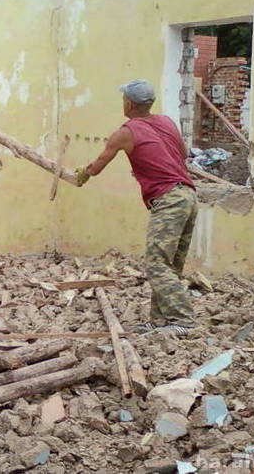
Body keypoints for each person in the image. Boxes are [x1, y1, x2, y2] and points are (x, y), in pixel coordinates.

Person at [76, 79, 198, 335]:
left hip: (168, 201)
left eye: (123, 99)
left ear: (129, 103)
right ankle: (160, 321)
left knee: (156, 264)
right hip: (187, 195)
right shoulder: (167, 122)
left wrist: (83, 174)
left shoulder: (125, 132)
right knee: (169, 265)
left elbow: (97, 166)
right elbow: (182, 154)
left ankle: (183, 322)